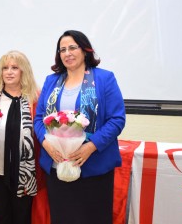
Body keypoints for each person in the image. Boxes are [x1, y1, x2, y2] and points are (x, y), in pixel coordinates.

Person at [34, 30, 126, 224]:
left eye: (72, 47)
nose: (67, 53)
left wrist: (90, 147)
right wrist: (46, 144)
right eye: (62, 49)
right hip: (57, 165)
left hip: (94, 166)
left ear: (85, 51)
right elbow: (39, 119)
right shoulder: (52, 81)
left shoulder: (104, 78)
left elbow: (117, 119)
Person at [0, 50, 45, 224]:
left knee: (22, 217)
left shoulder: (36, 98)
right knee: (1, 216)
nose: (9, 72)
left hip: (24, 174)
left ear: (23, 71)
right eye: (5, 68)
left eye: (14, 68)